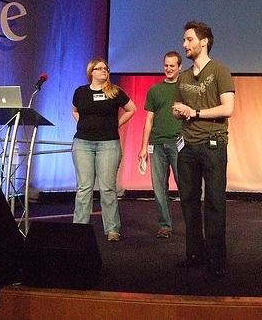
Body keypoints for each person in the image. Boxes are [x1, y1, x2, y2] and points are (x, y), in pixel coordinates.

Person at [172, 21, 235, 277]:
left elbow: (228, 108)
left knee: (215, 202)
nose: (185, 44)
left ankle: (217, 257)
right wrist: (179, 111)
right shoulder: (184, 76)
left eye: (189, 39)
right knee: (188, 201)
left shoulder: (220, 71)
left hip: (213, 144)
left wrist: (195, 112)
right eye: (185, 40)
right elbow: (177, 108)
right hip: (187, 146)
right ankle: (195, 253)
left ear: (204, 41)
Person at [72, 57, 136, 242]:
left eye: (106, 69)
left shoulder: (115, 92)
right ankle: (79, 229)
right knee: (84, 188)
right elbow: (75, 110)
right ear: (91, 72)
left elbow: (132, 109)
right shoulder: (81, 92)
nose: (104, 71)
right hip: (83, 143)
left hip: (108, 144)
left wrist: (116, 124)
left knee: (108, 189)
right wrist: (83, 124)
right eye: (99, 69)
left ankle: (112, 230)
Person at [138, 51, 182, 238]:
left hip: (179, 144)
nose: (169, 69)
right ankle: (164, 225)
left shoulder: (185, 88)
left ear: (180, 67)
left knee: (186, 186)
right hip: (156, 145)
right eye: (166, 65)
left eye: (172, 65)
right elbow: (149, 120)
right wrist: (143, 146)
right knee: (159, 188)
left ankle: (193, 225)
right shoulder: (155, 90)